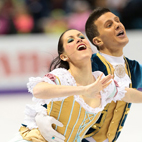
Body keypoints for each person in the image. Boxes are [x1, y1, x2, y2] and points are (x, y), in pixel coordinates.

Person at [25, 7, 142, 142]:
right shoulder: (86, 63)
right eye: (109, 25)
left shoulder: (134, 68)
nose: (118, 25)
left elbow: (125, 93)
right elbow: (52, 89)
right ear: (97, 41)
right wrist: (40, 115)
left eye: (117, 20)